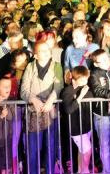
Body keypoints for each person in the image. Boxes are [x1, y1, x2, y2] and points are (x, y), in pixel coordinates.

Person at [20, 31, 64, 174]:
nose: (45, 53)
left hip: (50, 111)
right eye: (42, 51)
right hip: (33, 113)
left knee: (50, 147)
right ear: (35, 54)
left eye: (47, 50)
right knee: (32, 149)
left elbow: (58, 86)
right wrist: (33, 100)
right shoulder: (30, 67)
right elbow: (24, 90)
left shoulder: (56, 66)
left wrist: (50, 101)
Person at [88, 49, 110, 173]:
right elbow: (98, 90)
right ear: (96, 64)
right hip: (101, 115)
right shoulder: (94, 75)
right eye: (102, 60)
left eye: (107, 58)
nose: (106, 61)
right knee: (104, 145)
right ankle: (107, 170)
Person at [61, 66, 94, 174]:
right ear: (74, 79)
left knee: (82, 151)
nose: (84, 81)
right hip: (75, 128)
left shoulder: (87, 88)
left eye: (85, 78)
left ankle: (80, 170)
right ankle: (85, 170)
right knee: (88, 150)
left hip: (86, 126)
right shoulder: (68, 90)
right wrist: (80, 96)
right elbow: (69, 109)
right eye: (81, 79)